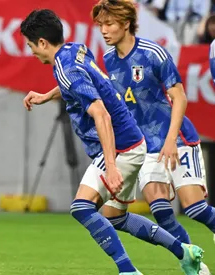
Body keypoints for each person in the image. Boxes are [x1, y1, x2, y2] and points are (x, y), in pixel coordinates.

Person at [21, 9, 203, 275]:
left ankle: (128, 270)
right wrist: (47, 95)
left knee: (82, 208)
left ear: (43, 43)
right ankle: (184, 252)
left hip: (121, 148)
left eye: (30, 46)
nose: (31, 52)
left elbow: (101, 114)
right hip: (131, 142)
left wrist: (112, 166)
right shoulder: (75, 50)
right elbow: (87, 84)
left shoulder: (65, 68)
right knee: (115, 217)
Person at [92, 0, 212, 273]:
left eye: (109, 24)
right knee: (160, 209)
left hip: (176, 138)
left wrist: (170, 142)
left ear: (125, 23)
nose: (104, 31)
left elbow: (179, 97)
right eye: (101, 25)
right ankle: (192, 263)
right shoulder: (109, 60)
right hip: (145, 147)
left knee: (195, 209)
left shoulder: (152, 52)